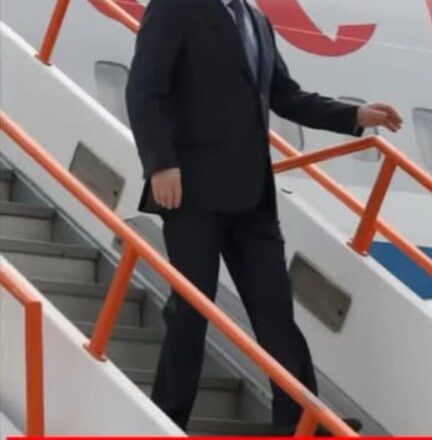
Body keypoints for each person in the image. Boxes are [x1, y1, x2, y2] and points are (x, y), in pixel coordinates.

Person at [125, 0, 402, 431]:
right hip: (192, 193)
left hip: (252, 195)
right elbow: (145, 90)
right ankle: (167, 417)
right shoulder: (177, 8)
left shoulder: (256, 20)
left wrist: (354, 116)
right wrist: (160, 164)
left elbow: (285, 95)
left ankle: (300, 421)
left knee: (274, 310)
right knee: (191, 311)